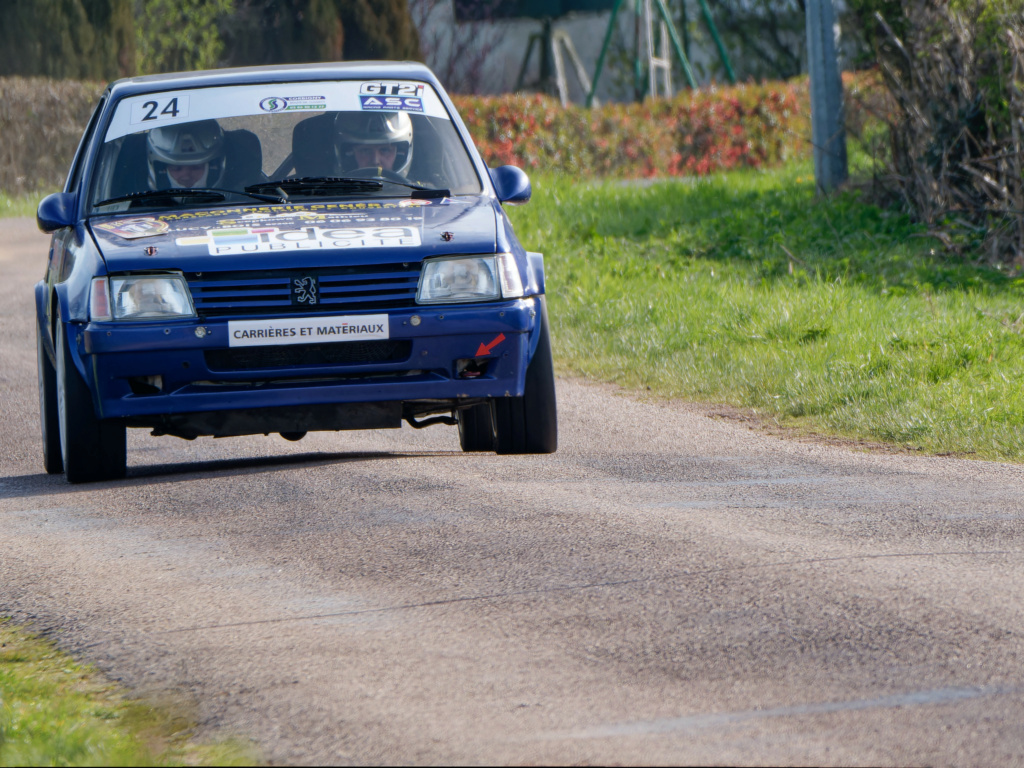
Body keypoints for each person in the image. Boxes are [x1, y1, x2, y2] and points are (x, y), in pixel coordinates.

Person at [146, 119, 226, 190]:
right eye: (176, 168)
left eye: (195, 167)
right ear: (161, 169)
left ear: (213, 167)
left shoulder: (236, 195)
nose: (186, 176)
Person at [334, 111, 413, 176]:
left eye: (385, 150)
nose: (375, 161)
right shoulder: (333, 193)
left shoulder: (419, 192)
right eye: (365, 151)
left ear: (399, 153)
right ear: (351, 154)